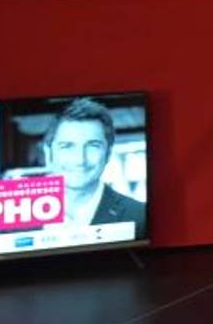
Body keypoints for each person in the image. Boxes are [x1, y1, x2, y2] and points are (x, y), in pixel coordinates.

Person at [41, 97, 145, 237]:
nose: (80, 160)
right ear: (48, 154)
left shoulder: (140, 216)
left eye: (93, 146)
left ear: (108, 154)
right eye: (67, 146)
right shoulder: (15, 217)